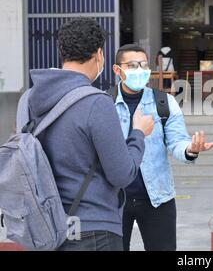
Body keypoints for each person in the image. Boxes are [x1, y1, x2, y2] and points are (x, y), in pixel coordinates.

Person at [23, 18, 154, 251]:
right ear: (99, 55)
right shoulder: (96, 103)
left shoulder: (31, 99)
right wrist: (138, 134)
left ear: (62, 52)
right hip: (93, 230)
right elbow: (122, 174)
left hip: (49, 227)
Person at [111, 44, 213, 251]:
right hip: (114, 200)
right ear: (118, 70)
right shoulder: (104, 103)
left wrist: (191, 149)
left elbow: (177, 141)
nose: (139, 70)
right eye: (132, 66)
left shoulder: (164, 102)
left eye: (143, 65)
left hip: (157, 198)